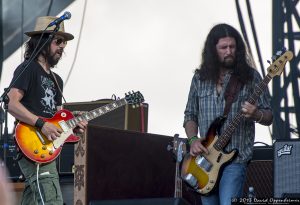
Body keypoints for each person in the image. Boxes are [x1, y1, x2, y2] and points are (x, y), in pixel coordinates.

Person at [183, 23, 273, 205]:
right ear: (213, 50)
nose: (229, 51)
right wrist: (193, 140)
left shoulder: (251, 77)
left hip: (235, 160)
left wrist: (256, 114)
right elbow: (190, 115)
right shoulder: (199, 79)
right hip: (205, 159)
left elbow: (270, 115)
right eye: (223, 47)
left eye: (232, 47)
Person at [7, 16, 87, 205]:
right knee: (52, 200)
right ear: (42, 41)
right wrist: (41, 125)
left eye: (64, 43)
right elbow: (11, 103)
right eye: (58, 41)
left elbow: (58, 118)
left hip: (46, 148)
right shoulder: (27, 69)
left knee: (34, 199)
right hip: (31, 142)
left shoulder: (57, 80)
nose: (62, 47)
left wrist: (71, 127)